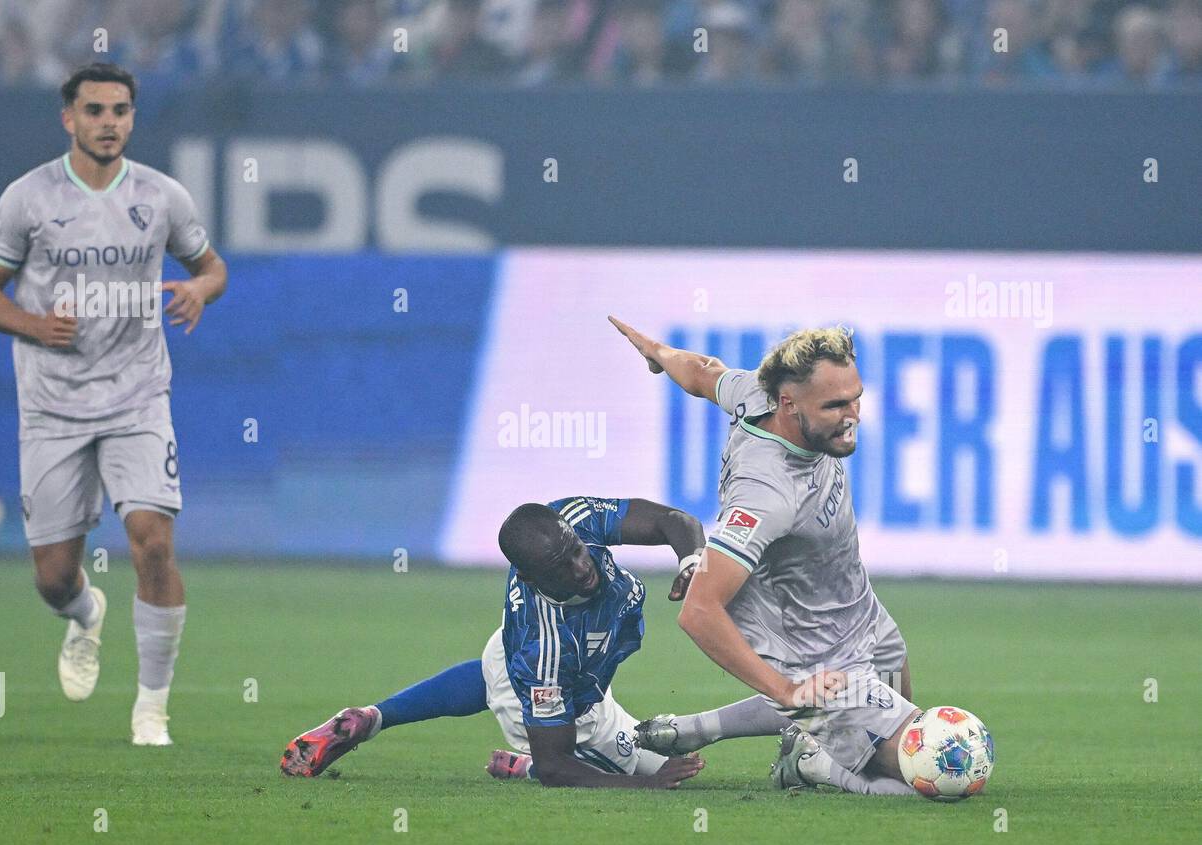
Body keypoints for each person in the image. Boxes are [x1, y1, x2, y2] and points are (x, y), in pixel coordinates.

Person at [0, 62, 228, 745]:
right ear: (69, 119)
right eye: (95, 111)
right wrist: (32, 325)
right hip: (52, 405)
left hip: (138, 397)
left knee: (154, 544)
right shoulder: (28, 198)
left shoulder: (162, 196)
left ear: (132, 119)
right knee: (53, 576)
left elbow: (212, 266)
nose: (108, 122)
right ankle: (84, 615)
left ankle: (151, 708)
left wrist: (201, 291)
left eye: (119, 111)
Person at [610, 317, 920, 796]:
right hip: (813, 648)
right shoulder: (766, 493)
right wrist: (788, 691)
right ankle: (810, 765)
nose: (852, 414)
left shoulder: (756, 392)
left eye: (856, 396)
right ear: (789, 404)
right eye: (834, 405)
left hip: (864, 618)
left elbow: (702, 372)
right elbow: (698, 611)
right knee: (924, 776)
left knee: (902, 740)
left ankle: (699, 729)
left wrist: (659, 353)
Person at [281, 495, 737, 788]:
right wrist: (645, 788)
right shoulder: (546, 649)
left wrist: (692, 561)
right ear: (532, 577)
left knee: (490, 675)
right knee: (654, 770)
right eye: (563, 566)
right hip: (556, 698)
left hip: (540, 663)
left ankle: (371, 718)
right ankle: (523, 763)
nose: (581, 567)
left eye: (577, 550)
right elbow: (561, 768)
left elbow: (673, 521)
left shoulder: (571, 519)